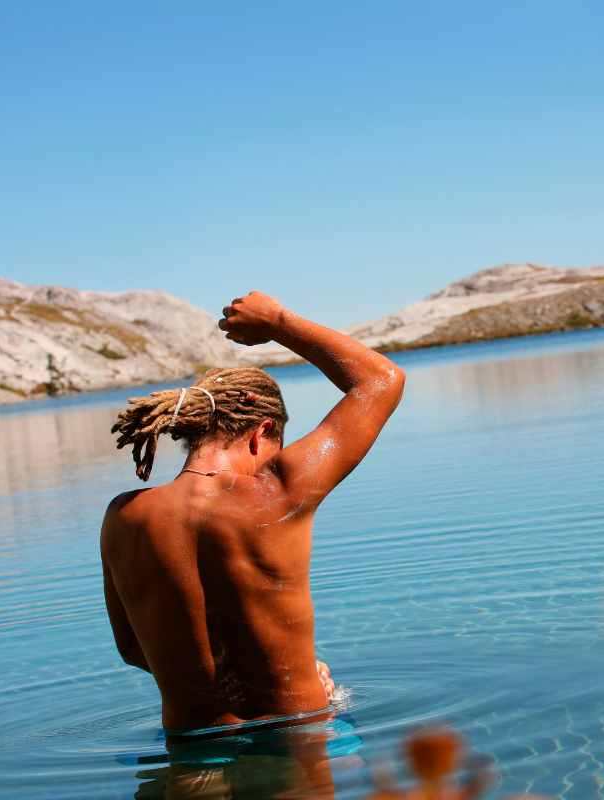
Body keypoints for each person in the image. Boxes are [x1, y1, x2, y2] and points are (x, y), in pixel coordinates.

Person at [100, 292, 405, 788]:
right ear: (262, 432)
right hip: (292, 739)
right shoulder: (277, 490)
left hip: (191, 751)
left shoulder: (124, 516)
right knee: (355, 763)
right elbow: (381, 380)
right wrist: (278, 323)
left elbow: (132, 650)